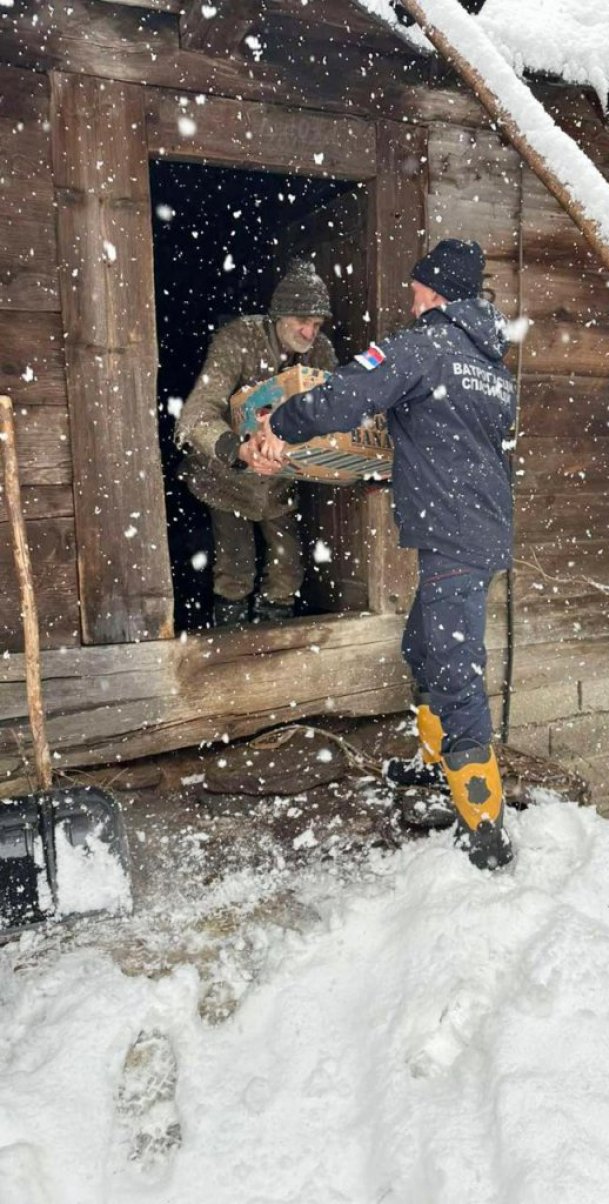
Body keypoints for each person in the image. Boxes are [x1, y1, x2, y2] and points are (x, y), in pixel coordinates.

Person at [256, 239, 516, 871]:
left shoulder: (427, 345)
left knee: (453, 668)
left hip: (453, 532)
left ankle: (484, 825)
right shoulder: (491, 366)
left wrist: (279, 423)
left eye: (418, 288)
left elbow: (346, 394)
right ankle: (435, 765)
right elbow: (452, 441)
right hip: (480, 527)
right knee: (422, 646)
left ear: (436, 290)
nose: (412, 298)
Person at [175, 259, 337, 626]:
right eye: (302, 321)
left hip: (279, 477)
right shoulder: (238, 340)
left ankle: (276, 637)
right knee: (235, 565)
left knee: (287, 568)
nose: (309, 332)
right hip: (225, 475)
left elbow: (336, 410)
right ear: (278, 316)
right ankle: (230, 639)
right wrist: (237, 450)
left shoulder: (320, 352)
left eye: (317, 324)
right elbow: (196, 414)